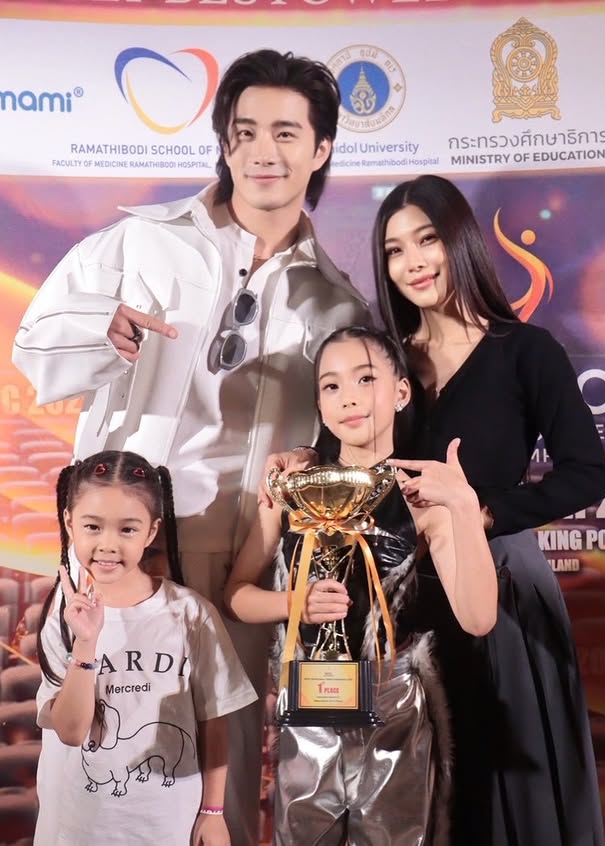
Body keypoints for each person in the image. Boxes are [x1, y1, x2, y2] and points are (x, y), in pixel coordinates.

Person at [13, 49, 368, 844]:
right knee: (92, 753)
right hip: (123, 543)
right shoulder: (140, 242)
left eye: (286, 132)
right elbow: (33, 351)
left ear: (320, 149)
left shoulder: (336, 302)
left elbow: (350, 437)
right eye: (245, 131)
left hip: (239, 559)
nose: (262, 151)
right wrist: (100, 332)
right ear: (224, 142)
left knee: (222, 766)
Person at [372, 174, 605, 846]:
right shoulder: (387, 364)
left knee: (508, 789)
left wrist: (480, 516)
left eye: (427, 240)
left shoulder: (525, 350)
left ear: (461, 241)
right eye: (395, 250)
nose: (413, 262)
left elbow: (588, 473)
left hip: (500, 587)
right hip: (404, 597)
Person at [226, 326, 498, 846]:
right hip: (308, 711)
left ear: (401, 391)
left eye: (366, 378)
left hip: (393, 710)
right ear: (319, 405)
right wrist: (294, 604)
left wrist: (463, 507)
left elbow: (479, 617)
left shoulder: (422, 497)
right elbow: (236, 595)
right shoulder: (291, 489)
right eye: (331, 386)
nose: (348, 397)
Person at [34, 450, 256, 846]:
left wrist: (213, 812)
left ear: (151, 532)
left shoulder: (191, 614)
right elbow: (71, 731)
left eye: (127, 529)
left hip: (169, 825)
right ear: (69, 523)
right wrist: (86, 642)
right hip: (79, 828)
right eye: (92, 526)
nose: (108, 545)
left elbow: (214, 720)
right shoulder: (63, 619)